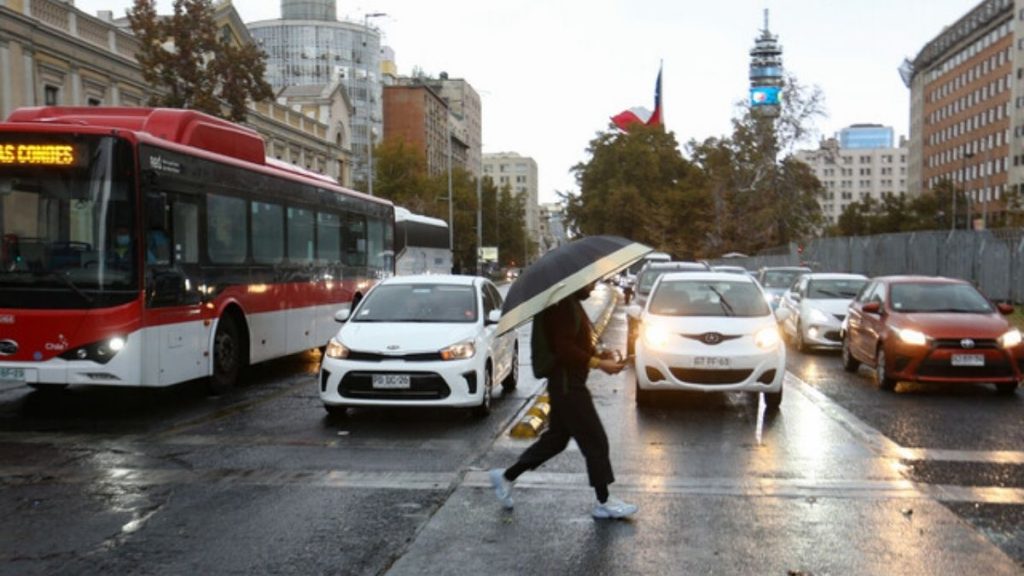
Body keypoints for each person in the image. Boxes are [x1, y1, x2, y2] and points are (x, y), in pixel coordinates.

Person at [489, 282, 638, 519]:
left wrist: (601, 356)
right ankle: (604, 501)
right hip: (568, 385)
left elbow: (575, 345)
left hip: (566, 383)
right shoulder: (561, 307)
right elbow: (565, 349)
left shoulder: (570, 304)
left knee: (556, 440)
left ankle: (506, 476)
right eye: (590, 282)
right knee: (595, 440)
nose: (592, 286)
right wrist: (599, 363)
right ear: (575, 281)